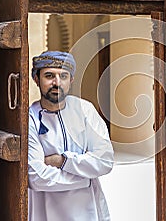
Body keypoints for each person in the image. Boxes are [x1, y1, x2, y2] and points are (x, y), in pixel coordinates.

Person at [28, 51, 114, 221]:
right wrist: (84, 179)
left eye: (64, 76)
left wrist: (62, 160)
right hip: (45, 212)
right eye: (49, 75)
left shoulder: (85, 110)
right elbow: (36, 177)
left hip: (87, 210)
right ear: (36, 79)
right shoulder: (29, 118)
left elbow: (105, 161)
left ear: (71, 80)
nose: (57, 82)